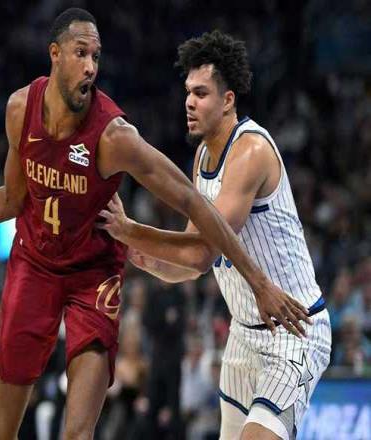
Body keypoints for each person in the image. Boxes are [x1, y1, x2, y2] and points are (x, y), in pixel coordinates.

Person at [0, 10, 309, 440]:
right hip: (34, 264)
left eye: (96, 56)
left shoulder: (114, 136)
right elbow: (12, 199)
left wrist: (258, 281)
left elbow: (193, 209)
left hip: (92, 276)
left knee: (76, 433)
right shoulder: (19, 109)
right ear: (55, 54)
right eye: (81, 53)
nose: (90, 66)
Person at [99, 30, 332, 440]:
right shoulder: (203, 156)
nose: (189, 102)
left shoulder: (251, 151)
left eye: (201, 93)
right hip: (243, 336)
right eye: (188, 92)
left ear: (228, 101)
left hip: (294, 330)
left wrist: (131, 229)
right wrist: (142, 256)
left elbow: (203, 250)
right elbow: (191, 267)